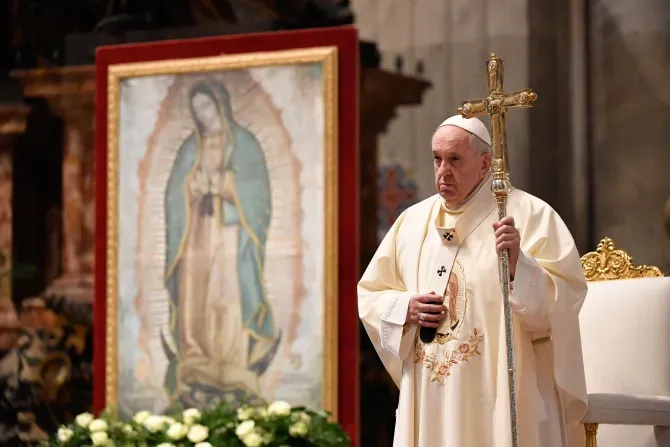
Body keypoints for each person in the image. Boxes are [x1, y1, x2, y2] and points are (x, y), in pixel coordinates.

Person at [358, 115, 588, 446]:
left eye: (454, 160)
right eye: (437, 159)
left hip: (500, 388)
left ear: (484, 165)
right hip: (430, 391)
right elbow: (371, 293)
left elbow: (563, 300)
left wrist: (518, 267)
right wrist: (404, 307)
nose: (442, 171)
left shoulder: (530, 216)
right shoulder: (411, 223)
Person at [162, 80, 280, 407]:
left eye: (207, 107)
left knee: (226, 291)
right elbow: (174, 193)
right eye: (197, 110)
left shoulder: (243, 143)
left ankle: (230, 361)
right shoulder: (190, 147)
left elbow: (258, 193)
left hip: (229, 233)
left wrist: (226, 184)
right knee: (195, 294)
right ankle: (195, 358)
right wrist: (192, 187)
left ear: (220, 105)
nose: (203, 115)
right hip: (196, 232)